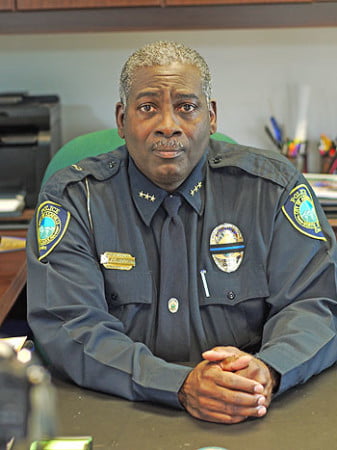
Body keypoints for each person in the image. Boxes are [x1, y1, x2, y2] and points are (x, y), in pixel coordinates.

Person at [27, 41, 337, 425]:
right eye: (147, 108)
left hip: (251, 407)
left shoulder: (272, 190)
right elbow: (70, 324)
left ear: (211, 116)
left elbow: (315, 303)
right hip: (117, 406)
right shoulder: (74, 199)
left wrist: (270, 369)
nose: (168, 124)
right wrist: (176, 383)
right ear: (122, 120)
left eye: (186, 107)